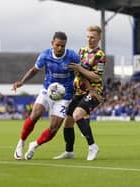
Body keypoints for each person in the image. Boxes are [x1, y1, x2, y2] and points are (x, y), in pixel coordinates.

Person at [13, 31, 80, 160]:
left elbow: (79, 73)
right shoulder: (45, 55)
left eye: (63, 46)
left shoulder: (72, 56)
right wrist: (22, 82)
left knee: (54, 128)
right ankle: (21, 142)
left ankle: (34, 145)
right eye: (57, 45)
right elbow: (34, 70)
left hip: (65, 96)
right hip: (47, 91)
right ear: (52, 43)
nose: (60, 48)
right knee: (35, 114)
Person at [53, 25, 106, 161]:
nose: (89, 40)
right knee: (68, 121)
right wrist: (78, 70)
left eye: (92, 37)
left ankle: (93, 146)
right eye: (88, 37)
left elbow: (96, 77)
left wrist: (80, 69)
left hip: (95, 92)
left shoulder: (100, 55)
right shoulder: (81, 51)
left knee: (77, 114)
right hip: (80, 90)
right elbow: (78, 71)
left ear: (99, 38)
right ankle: (69, 151)